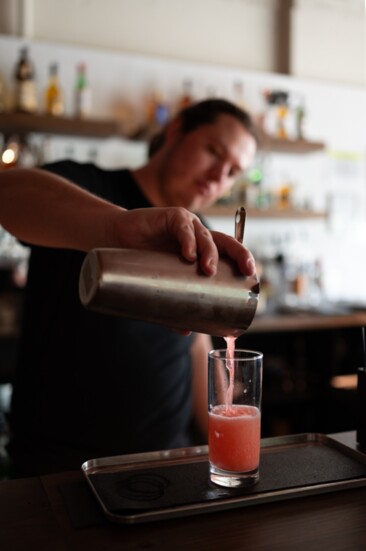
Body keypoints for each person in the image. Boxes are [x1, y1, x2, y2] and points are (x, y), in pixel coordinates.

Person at [6, 98, 258, 477]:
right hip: (59, 470)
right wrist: (117, 228)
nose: (219, 175)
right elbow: (8, 193)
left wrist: (232, 454)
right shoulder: (89, 186)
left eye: (234, 171)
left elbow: (194, 345)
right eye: (213, 151)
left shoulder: (199, 232)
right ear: (175, 132)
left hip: (168, 465)